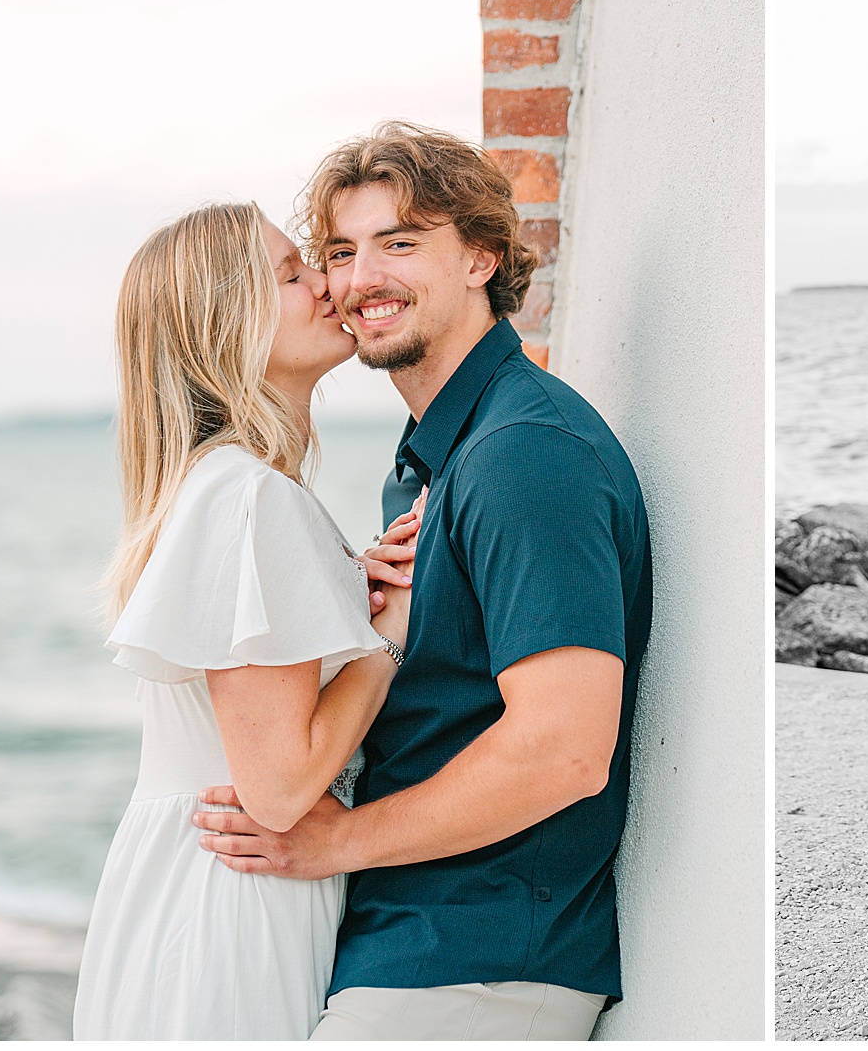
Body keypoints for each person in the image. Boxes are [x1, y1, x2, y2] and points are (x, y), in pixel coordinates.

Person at [192, 122, 653, 1041]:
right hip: (410, 952)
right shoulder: (434, 459)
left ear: (482, 256)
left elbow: (565, 749)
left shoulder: (522, 455)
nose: (362, 279)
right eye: (341, 252)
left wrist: (333, 842)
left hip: (476, 967)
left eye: (400, 243)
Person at [73, 202, 417, 1039]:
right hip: (231, 903)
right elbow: (278, 786)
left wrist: (342, 586)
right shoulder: (251, 496)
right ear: (227, 326)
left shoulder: (226, 488)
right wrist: (386, 641)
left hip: (187, 891)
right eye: (292, 274)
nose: (327, 285)